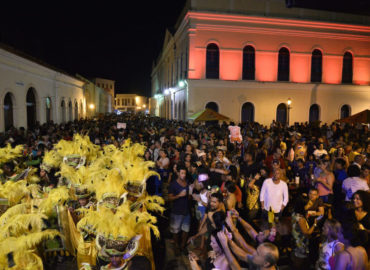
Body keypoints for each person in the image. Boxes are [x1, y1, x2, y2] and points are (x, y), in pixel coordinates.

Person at [168, 166, 191, 253]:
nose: (183, 175)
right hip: (177, 212)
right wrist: (179, 196)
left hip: (186, 211)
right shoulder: (173, 184)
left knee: (186, 230)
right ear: (177, 173)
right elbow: (169, 198)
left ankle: (182, 245)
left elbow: (189, 196)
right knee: (176, 231)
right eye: (182, 173)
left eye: (184, 173)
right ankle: (176, 246)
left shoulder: (187, 182)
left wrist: (190, 195)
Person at [291, 198, 319, 270]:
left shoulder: (294, 213)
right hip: (301, 242)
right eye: (308, 204)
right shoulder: (301, 219)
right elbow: (307, 233)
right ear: (302, 206)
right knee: (301, 259)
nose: (310, 205)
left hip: (295, 238)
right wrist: (315, 224)